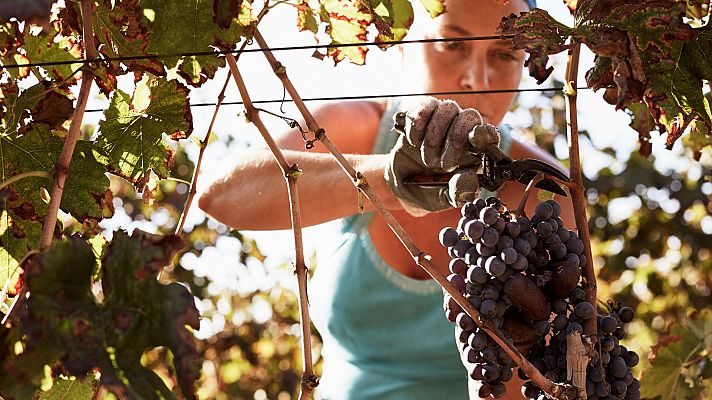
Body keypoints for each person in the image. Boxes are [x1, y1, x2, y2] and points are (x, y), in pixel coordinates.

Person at [198, 0, 574, 398]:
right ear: (403, 43)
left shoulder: (542, 192)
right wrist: (389, 180)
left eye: (502, 55)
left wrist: (524, 353)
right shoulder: (355, 132)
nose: (475, 78)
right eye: (453, 45)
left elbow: (534, 387)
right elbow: (220, 195)